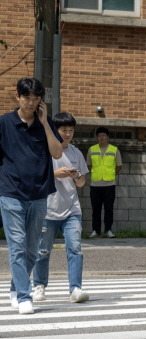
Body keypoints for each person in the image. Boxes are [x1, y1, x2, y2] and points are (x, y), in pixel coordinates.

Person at [0, 77, 63, 314]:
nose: (31, 102)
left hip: (39, 194)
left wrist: (46, 123)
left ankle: (16, 288)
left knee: (31, 249)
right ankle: (25, 296)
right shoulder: (4, 123)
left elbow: (57, 153)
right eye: (27, 97)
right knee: (16, 246)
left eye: (36, 98)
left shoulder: (44, 124)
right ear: (18, 97)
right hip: (11, 193)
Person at [32, 112, 90, 303]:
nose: (67, 134)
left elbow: (82, 183)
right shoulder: (44, 150)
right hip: (48, 209)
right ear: (55, 130)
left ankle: (75, 289)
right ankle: (39, 286)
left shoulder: (76, 153)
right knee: (43, 250)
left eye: (71, 130)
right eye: (64, 130)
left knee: (75, 248)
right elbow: (36, 176)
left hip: (72, 209)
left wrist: (74, 176)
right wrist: (57, 173)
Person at [86, 126, 122, 238]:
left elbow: (119, 166)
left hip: (109, 184)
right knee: (95, 209)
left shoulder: (114, 150)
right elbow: (89, 165)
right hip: (95, 184)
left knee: (109, 209)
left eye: (104, 135)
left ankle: (108, 230)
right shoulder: (92, 149)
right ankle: (95, 231)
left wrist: (110, 174)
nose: (101, 138)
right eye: (99, 135)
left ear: (108, 137)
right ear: (97, 137)